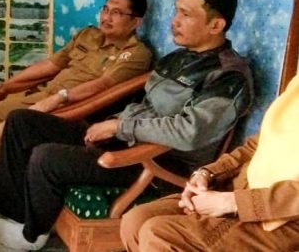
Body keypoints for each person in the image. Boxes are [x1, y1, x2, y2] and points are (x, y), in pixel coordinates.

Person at [0, 0, 254, 251]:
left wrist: (120, 127)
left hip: (157, 161)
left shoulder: (228, 77)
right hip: (126, 138)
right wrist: (111, 124)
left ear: (215, 25)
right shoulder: (179, 57)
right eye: (176, 11)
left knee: (47, 157)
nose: (174, 21)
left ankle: (31, 237)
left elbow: (189, 131)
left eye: (185, 14)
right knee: (23, 121)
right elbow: (145, 104)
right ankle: (18, 215)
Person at [0, 0, 153, 181]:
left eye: (116, 13)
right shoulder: (88, 35)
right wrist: (6, 86)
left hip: (71, 108)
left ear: (135, 21)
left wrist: (61, 97)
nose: (106, 17)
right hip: (44, 96)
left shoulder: (136, 53)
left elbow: (103, 86)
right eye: (105, 9)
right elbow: (50, 66)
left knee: (3, 129)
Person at [120, 74, 299, 252]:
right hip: (242, 187)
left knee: (160, 235)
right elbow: (257, 145)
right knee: (135, 221)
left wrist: (233, 202)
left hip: (282, 217)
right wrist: (207, 173)